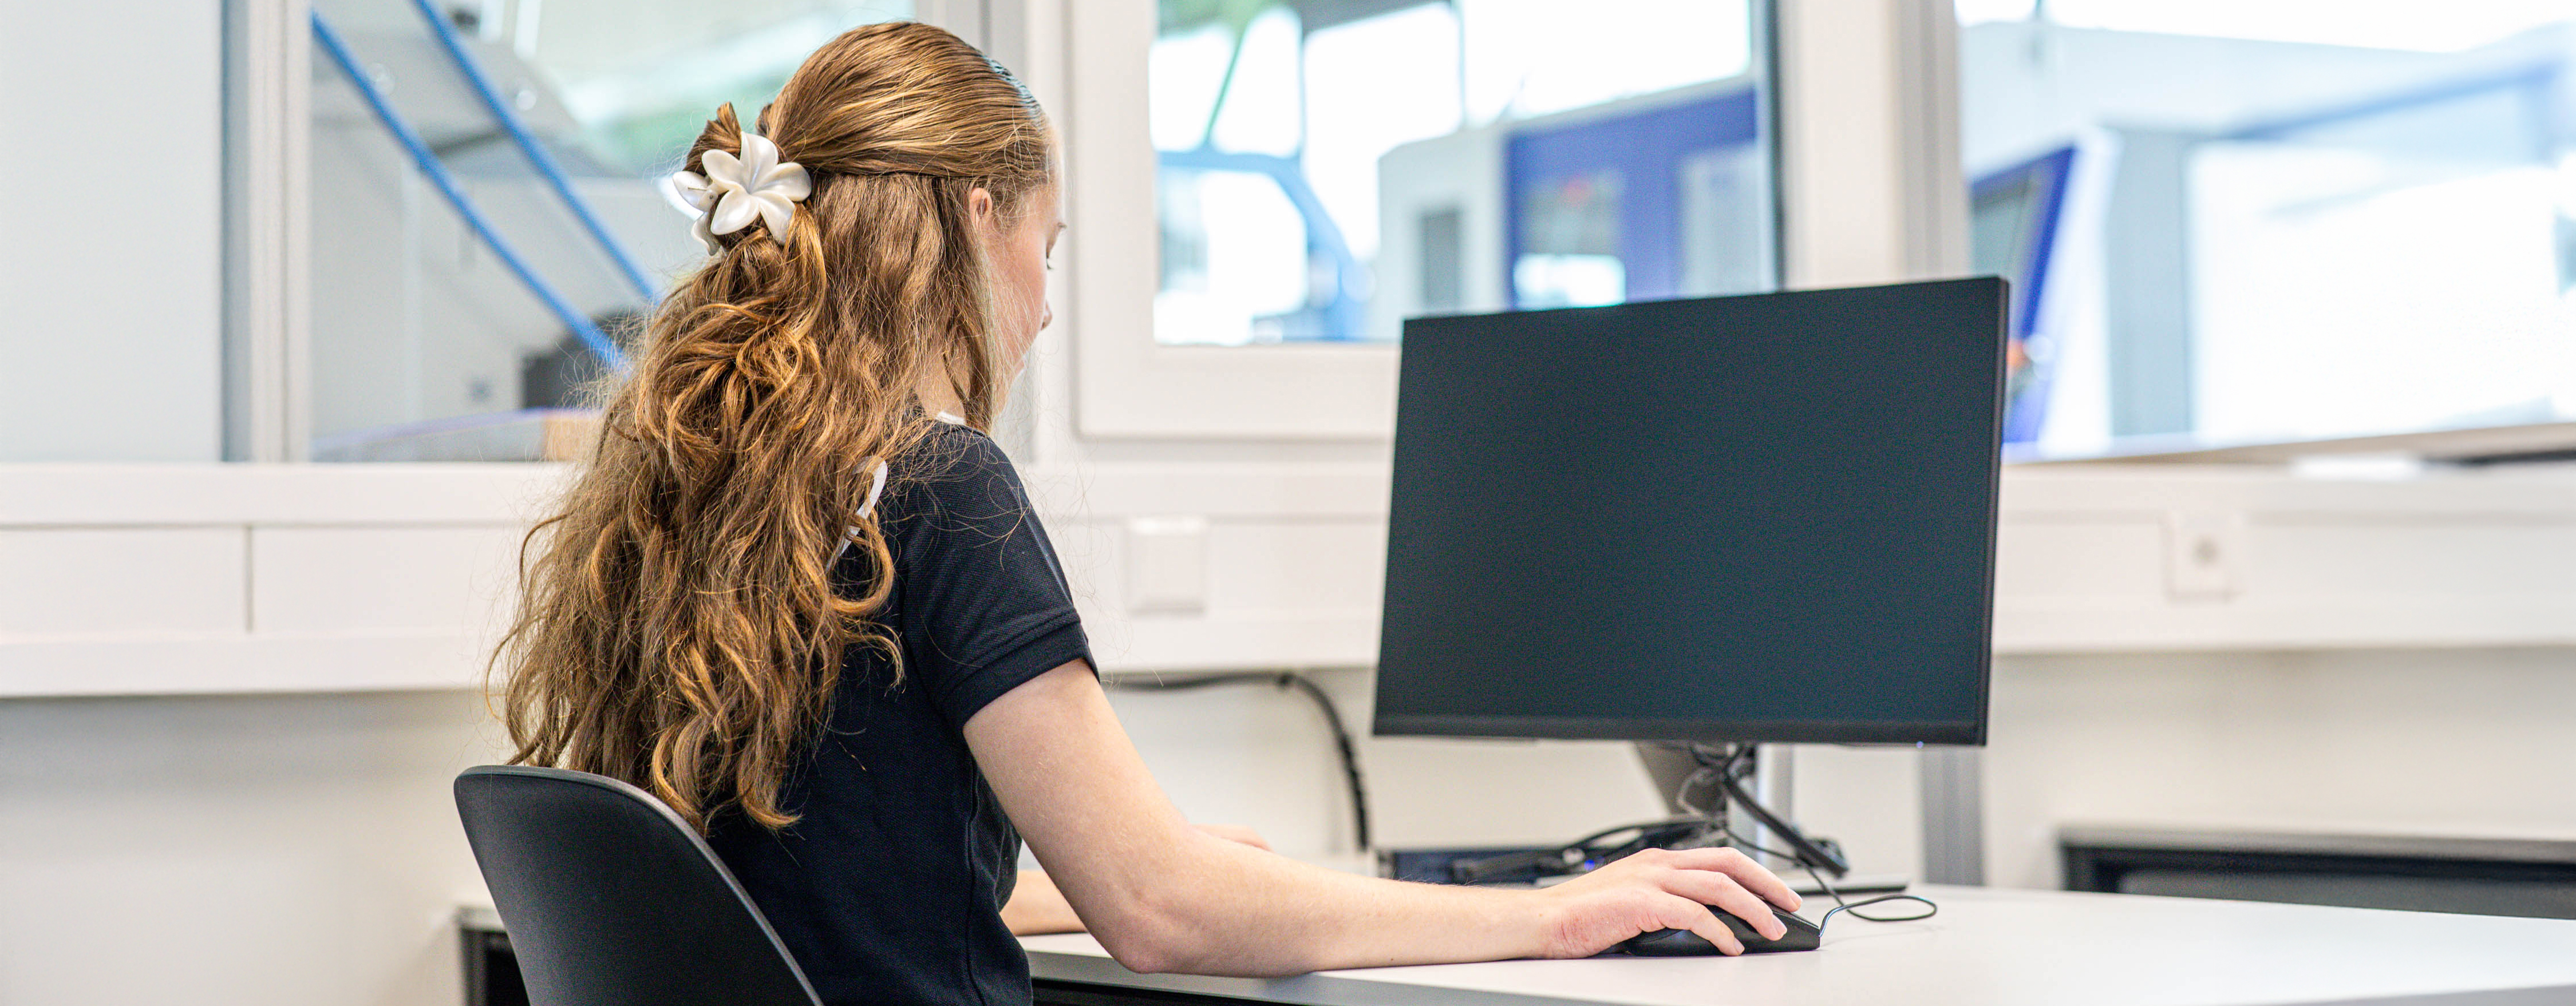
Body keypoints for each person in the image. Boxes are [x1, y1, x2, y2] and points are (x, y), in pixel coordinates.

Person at [494, 21, 1800, 1006]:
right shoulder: (939, 487)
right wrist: (1559, 916)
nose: (1047, 308)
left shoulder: (711, 487)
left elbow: (825, 875)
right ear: (975, 213)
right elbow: (1164, 914)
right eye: (1048, 252)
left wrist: (1084, 879)